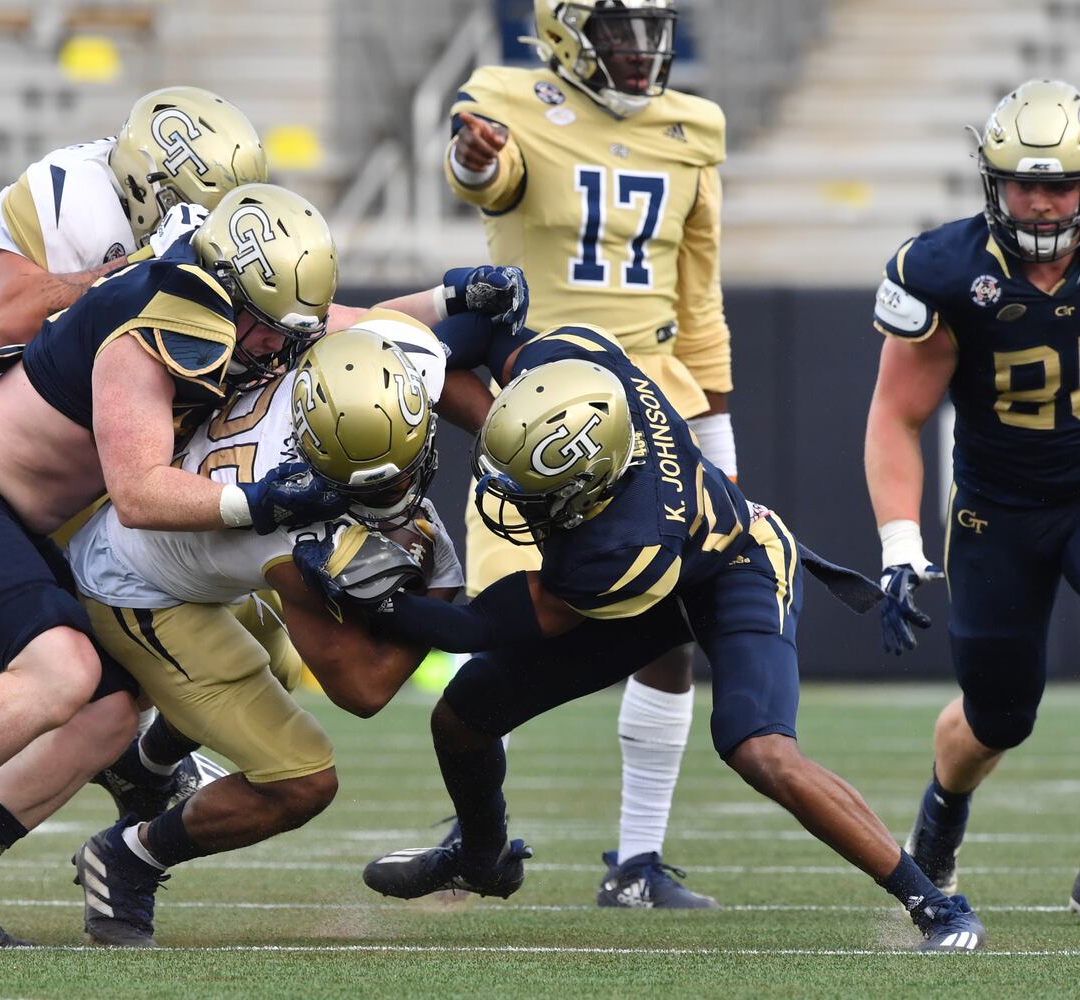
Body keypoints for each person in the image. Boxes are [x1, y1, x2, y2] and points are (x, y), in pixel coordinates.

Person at [303, 323, 987, 951]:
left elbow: (473, 626)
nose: (513, 504)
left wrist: (374, 598)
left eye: (535, 495)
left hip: (733, 565)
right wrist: (459, 311)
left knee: (759, 749)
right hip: (662, 562)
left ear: (588, 491)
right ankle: (479, 856)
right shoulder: (573, 362)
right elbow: (488, 333)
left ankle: (934, 905)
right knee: (464, 714)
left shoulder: (615, 551)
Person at [0, 182, 346, 949]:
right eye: (265, 327)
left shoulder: (220, 303)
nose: (273, 347)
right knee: (62, 671)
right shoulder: (151, 319)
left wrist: (451, 307)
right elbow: (138, 494)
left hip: (10, 513)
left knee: (108, 711)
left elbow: (341, 324)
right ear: (229, 286)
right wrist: (260, 502)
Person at [440, 0, 737, 906]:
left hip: (652, 398)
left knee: (666, 629)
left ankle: (636, 862)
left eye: (652, 28)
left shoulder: (693, 126)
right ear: (565, 31)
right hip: (540, 394)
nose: (640, 49)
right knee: (511, 613)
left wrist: (720, 456)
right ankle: (475, 830)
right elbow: (484, 180)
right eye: (616, 29)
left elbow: (699, 300)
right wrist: (475, 156)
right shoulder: (507, 96)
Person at [63, 319, 463, 946]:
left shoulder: (357, 371)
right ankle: (127, 857)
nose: (399, 489)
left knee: (272, 663)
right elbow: (362, 689)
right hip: (135, 587)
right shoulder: (297, 537)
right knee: (302, 778)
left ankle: (145, 765)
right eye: (375, 482)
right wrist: (444, 580)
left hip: (188, 566)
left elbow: (437, 336)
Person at [864, 79, 1080, 912]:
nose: (1038, 200)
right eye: (1022, 181)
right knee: (996, 717)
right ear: (991, 181)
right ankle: (941, 814)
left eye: (1059, 181)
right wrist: (896, 540)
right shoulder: (943, 270)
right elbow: (896, 414)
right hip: (997, 507)